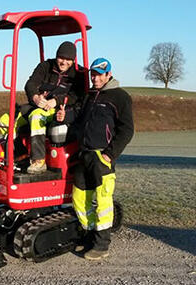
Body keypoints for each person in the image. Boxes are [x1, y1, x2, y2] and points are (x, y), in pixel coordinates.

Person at [56, 57, 134, 260]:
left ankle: (101, 245)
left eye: (99, 74)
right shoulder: (91, 95)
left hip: (102, 156)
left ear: (109, 74)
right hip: (83, 155)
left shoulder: (120, 97)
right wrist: (66, 116)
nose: (95, 78)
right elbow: (79, 115)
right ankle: (89, 236)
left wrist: (110, 154)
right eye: (93, 74)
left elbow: (127, 130)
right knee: (80, 199)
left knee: (103, 201)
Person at [23, 41, 85, 173]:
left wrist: (56, 101)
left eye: (68, 59)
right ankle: (15, 156)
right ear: (56, 56)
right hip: (39, 105)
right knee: (6, 120)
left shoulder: (79, 74)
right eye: (61, 58)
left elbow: (77, 96)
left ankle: (38, 160)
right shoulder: (45, 66)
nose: (64, 62)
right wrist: (35, 97)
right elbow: (30, 84)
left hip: (59, 110)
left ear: (73, 60)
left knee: (36, 117)